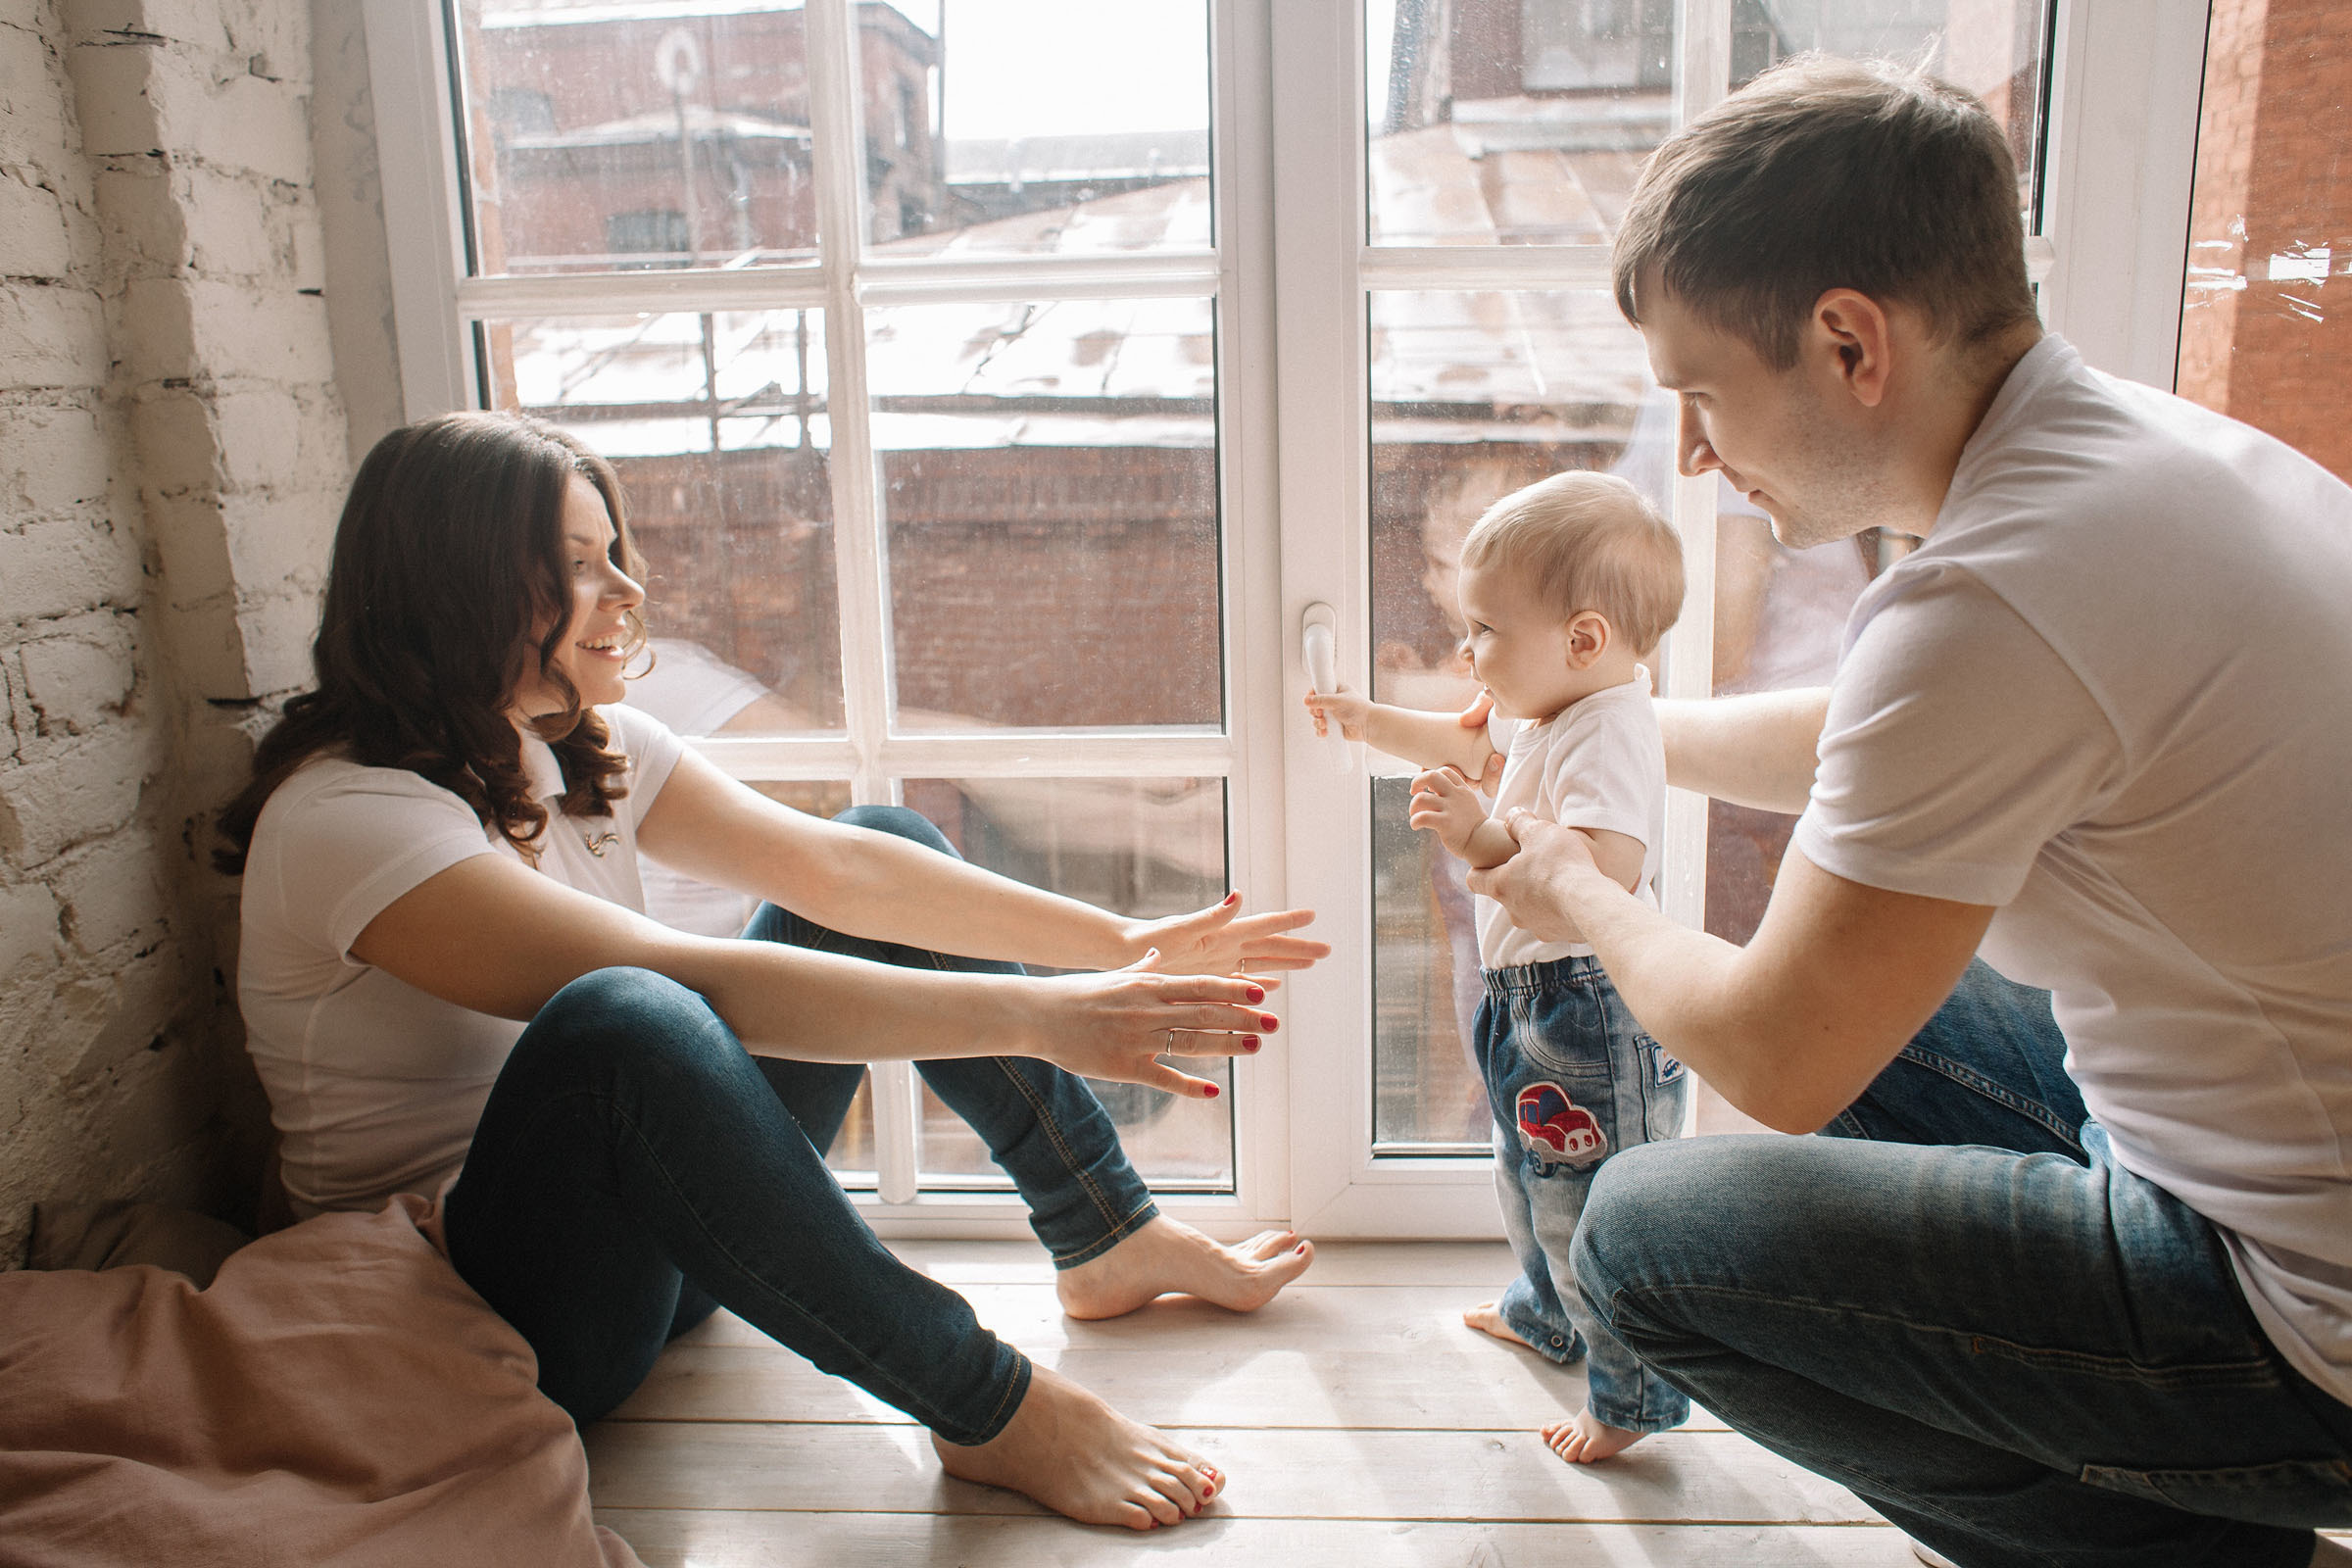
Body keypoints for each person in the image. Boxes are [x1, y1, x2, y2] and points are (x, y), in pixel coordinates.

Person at [1464, 54, 2352, 1568]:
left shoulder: (1993, 596)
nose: (1691, 453)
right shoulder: (2132, 457)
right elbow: (1883, 740)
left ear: (1846, 343)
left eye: (1700, 395)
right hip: (2281, 1147)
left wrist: (1579, 892)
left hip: (2305, 1328)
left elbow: (1776, 1058)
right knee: (1906, 1002)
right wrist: (1612, 731)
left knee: (1642, 1241)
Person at [214, 411, 1332, 1533]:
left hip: (667, 1253)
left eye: (616, 555)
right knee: (624, 1020)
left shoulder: (571, 746)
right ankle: (985, 1404)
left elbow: (842, 870)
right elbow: (691, 987)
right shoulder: (347, 818)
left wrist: (1124, 943)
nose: (626, 593)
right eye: (575, 568)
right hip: (497, 1313)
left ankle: (1105, 1231)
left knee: (883, 829)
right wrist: (1048, 1015)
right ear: (450, 592)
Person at [1303, 469, 1689, 1465]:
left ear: (1584, 638)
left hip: (1589, 1011)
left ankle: (1632, 1393)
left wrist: (1480, 841)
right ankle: (1547, 1315)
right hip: (1528, 997)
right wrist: (1363, 718)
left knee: (1588, 1203)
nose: (1468, 653)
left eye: (1485, 633)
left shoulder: (1611, 733)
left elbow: (1598, 874)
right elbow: (1462, 743)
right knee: (1523, 1176)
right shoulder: (1557, 705)